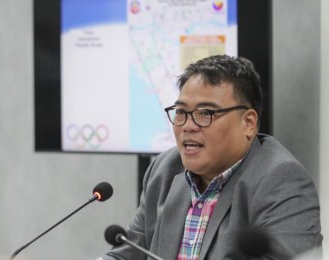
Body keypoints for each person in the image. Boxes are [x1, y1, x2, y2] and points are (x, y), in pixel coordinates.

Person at [100, 55, 323, 259]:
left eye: (205, 113)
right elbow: (128, 253)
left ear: (248, 123)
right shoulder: (164, 169)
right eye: (181, 112)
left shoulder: (282, 180)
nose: (187, 126)